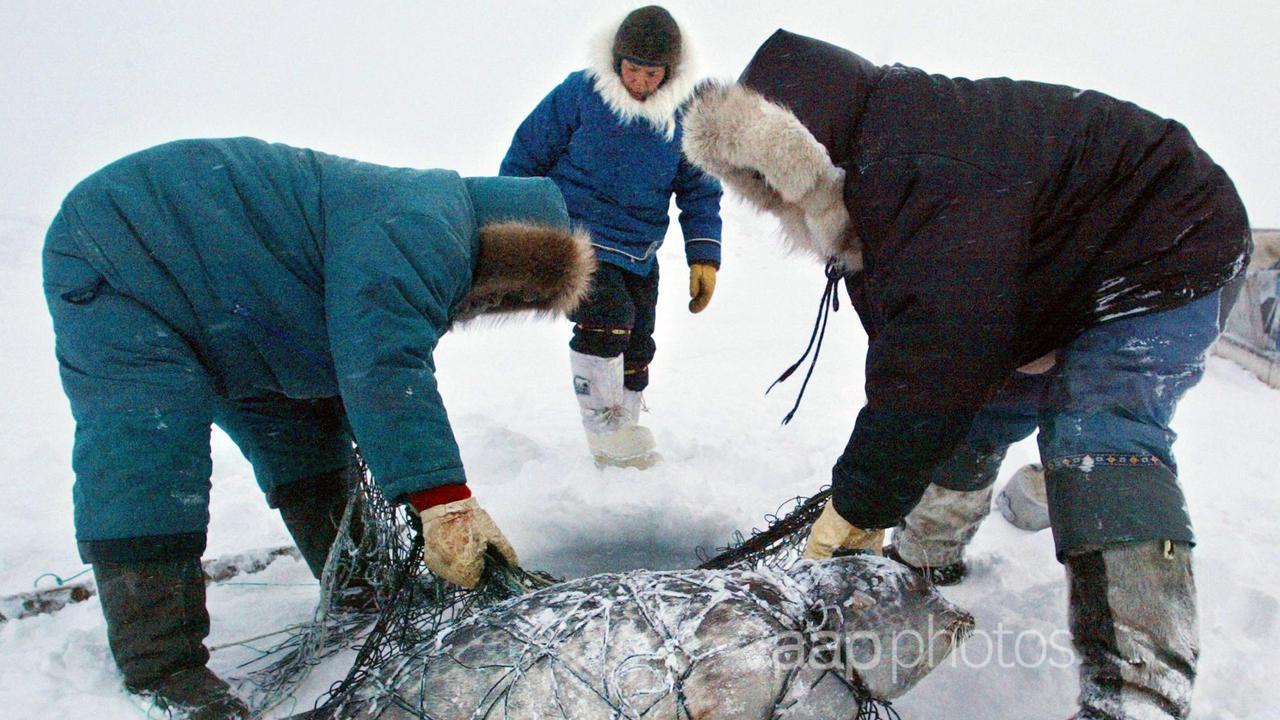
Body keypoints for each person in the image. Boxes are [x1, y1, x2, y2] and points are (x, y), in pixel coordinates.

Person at [682, 30, 1251, 720]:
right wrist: (878, 495)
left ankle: (1138, 691)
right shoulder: (878, 183)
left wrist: (861, 506)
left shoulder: (920, 165)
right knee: (977, 411)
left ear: (803, 150)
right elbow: (915, 361)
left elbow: (934, 355)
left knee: (1095, 425)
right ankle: (927, 560)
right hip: (1053, 278)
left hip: (1170, 241)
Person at [43, 137, 595, 718]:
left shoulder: (421, 219)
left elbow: (357, 359)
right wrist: (443, 499)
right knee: (146, 452)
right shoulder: (428, 223)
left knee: (304, 437)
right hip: (123, 258)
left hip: (241, 307)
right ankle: (162, 667)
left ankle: (362, 588)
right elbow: (382, 360)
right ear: (518, 253)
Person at [499, 5, 723, 468]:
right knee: (608, 318)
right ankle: (603, 431)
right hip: (574, 240)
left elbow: (700, 189)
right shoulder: (579, 94)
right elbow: (523, 158)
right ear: (617, 61)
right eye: (633, 69)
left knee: (639, 340)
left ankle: (627, 432)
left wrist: (705, 255)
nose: (640, 81)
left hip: (639, 250)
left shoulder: (684, 116)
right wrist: (512, 235)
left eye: (652, 72)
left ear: (670, 72)